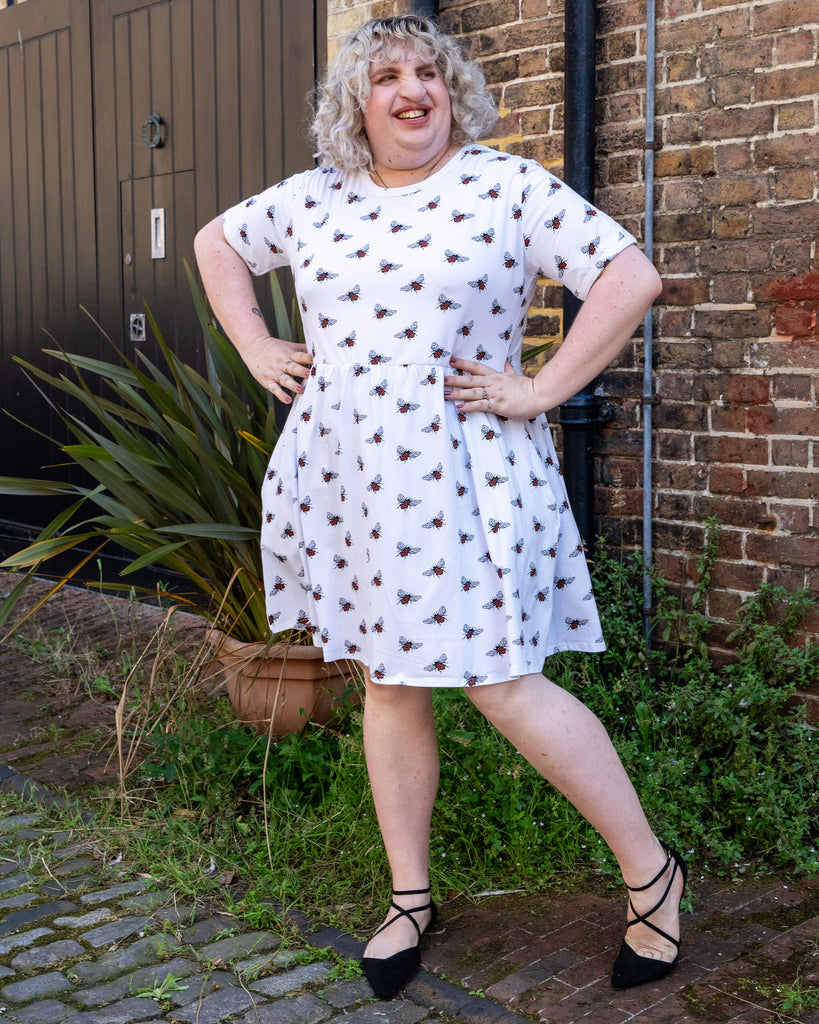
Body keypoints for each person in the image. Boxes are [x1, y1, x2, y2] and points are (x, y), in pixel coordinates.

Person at [194, 13, 685, 1000]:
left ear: (451, 89)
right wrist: (254, 344)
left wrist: (542, 389)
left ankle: (654, 874)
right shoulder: (317, 199)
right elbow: (216, 242)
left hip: (471, 478)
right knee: (388, 681)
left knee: (501, 681)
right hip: (360, 482)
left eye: (429, 71)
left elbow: (632, 275)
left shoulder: (504, 186)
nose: (412, 88)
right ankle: (410, 896)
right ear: (356, 103)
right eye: (387, 76)